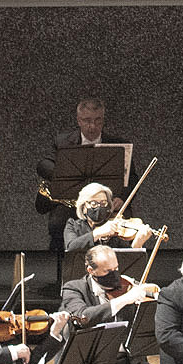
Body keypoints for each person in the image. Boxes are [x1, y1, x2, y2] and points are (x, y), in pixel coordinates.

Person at [37, 91, 126, 249]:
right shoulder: (63, 141)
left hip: (106, 205)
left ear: (103, 120)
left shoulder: (118, 144)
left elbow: (131, 176)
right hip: (73, 202)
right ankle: (63, 261)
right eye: (87, 121)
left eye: (97, 120)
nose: (92, 126)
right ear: (79, 120)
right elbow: (43, 165)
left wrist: (121, 197)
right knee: (57, 223)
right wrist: (67, 175)